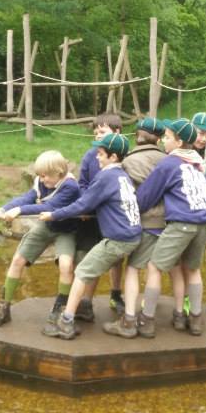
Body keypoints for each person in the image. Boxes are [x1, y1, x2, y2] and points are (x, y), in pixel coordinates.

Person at [39, 133, 141, 340]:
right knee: (91, 270)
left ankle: (66, 321)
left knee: (82, 272)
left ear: (113, 157)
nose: (97, 157)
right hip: (133, 235)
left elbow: (83, 204)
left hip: (118, 239)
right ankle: (88, 311)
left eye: (101, 154)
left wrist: (53, 214)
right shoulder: (123, 176)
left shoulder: (106, 176)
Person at [134, 118, 206, 337]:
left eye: (168, 137)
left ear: (179, 142)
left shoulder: (169, 163)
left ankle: (147, 320)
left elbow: (146, 196)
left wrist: (132, 208)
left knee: (154, 267)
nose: (163, 141)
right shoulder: (200, 164)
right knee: (193, 269)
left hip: (183, 223)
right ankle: (194, 319)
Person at [0, 150, 80, 327]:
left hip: (67, 229)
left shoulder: (71, 187)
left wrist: (20, 211)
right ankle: (3, 308)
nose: (42, 180)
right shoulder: (41, 182)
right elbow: (26, 198)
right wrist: (2, 210)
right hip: (47, 226)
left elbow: (51, 206)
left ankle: (59, 308)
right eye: (40, 176)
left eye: (46, 176)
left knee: (66, 266)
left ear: (59, 173)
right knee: (18, 259)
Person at [102, 117, 166, 338]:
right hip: (167, 223)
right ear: (158, 138)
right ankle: (148, 319)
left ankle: (129, 320)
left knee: (132, 269)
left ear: (137, 134)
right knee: (155, 270)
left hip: (143, 222)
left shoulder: (128, 161)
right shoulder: (168, 160)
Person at [75, 112, 124, 320]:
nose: (97, 136)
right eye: (95, 132)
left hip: (114, 216)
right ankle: (86, 302)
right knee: (90, 256)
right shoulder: (89, 155)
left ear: (117, 132)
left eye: (102, 132)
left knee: (116, 258)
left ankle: (115, 293)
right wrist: (87, 205)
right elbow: (82, 183)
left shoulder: (123, 156)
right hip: (91, 216)